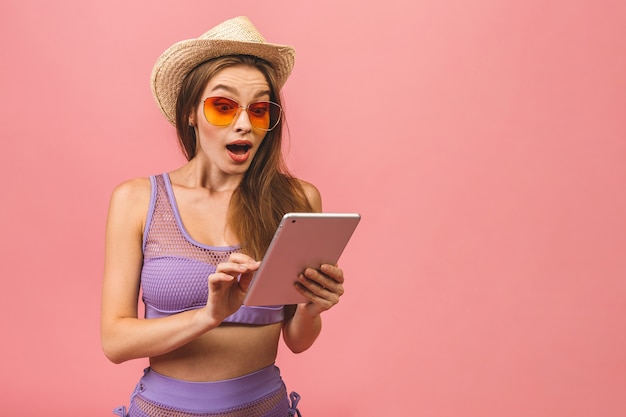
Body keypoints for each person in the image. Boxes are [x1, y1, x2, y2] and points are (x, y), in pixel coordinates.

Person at [100, 16, 346, 417]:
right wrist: (210, 315)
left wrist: (311, 308)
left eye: (260, 109)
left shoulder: (296, 199)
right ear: (189, 114)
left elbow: (298, 340)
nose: (245, 124)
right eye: (223, 106)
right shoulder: (137, 200)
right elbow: (115, 341)